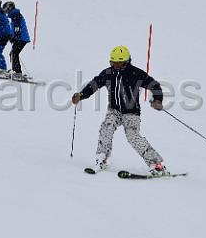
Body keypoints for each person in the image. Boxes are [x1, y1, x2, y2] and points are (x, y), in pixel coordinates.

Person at [71, 46, 168, 176]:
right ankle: (102, 159)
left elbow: (154, 85)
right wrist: (81, 95)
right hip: (114, 110)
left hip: (131, 112)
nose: (115, 65)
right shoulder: (107, 73)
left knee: (133, 136)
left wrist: (157, 100)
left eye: (119, 63)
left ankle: (157, 165)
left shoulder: (135, 73)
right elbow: (93, 85)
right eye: (113, 62)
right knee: (106, 128)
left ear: (126, 61)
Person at [3, 1, 30, 77]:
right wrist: (12, 37)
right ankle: (15, 70)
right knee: (13, 53)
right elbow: (15, 28)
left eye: (6, 10)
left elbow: (17, 27)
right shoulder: (14, 15)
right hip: (20, 38)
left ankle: (17, 72)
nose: (6, 12)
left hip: (21, 38)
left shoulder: (16, 15)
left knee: (14, 53)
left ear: (9, 8)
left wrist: (16, 37)